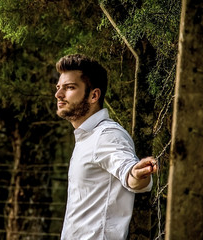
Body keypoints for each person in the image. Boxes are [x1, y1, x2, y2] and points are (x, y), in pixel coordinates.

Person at [55, 54, 157, 240]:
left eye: (70, 87)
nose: (59, 95)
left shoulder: (107, 135)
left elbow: (128, 172)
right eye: (59, 87)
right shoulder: (87, 138)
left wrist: (136, 173)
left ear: (94, 95)